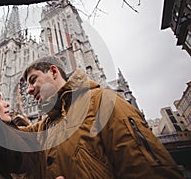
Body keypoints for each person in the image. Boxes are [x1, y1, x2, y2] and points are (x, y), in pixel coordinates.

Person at [19, 56, 183, 178]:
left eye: (33, 80)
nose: (29, 90)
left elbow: (148, 170)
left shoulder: (101, 102)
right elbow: (11, 136)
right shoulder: (46, 126)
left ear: (54, 72)